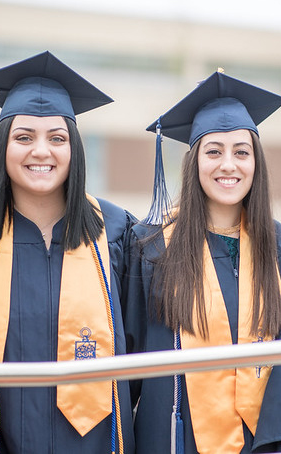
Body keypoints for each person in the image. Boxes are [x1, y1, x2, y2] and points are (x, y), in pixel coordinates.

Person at [0, 51, 136, 454]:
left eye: (57, 138)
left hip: (98, 439)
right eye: (24, 138)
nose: (42, 151)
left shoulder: (116, 229)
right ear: (2, 144)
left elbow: (138, 345)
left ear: (75, 149)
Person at [126, 70, 281, 453]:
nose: (228, 164)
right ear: (194, 161)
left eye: (241, 152)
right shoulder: (152, 248)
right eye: (214, 151)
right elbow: (128, 358)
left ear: (255, 163)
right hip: (176, 435)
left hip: (265, 437)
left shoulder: (277, 245)